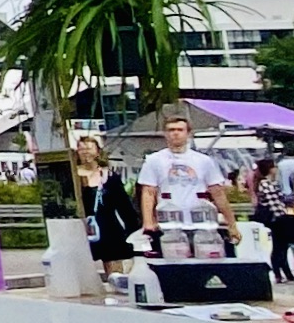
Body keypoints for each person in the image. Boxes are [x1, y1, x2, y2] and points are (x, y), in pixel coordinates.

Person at [139, 112, 234, 245]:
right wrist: (148, 222)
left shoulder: (204, 161)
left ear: (188, 133)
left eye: (180, 130)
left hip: (201, 220)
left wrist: (231, 223)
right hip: (169, 221)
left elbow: (218, 193)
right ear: (165, 133)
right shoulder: (154, 160)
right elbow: (149, 192)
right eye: (171, 130)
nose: (176, 133)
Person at [73, 134, 142, 288]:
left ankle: (116, 287)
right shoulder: (72, 176)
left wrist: (133, 229)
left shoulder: (109, 176)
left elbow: (124, 205)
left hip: (107, 225)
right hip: (81, 226)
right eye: (81, 149)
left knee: (113, 262)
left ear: (98, 151)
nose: (85, 152)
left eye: (89, 148)